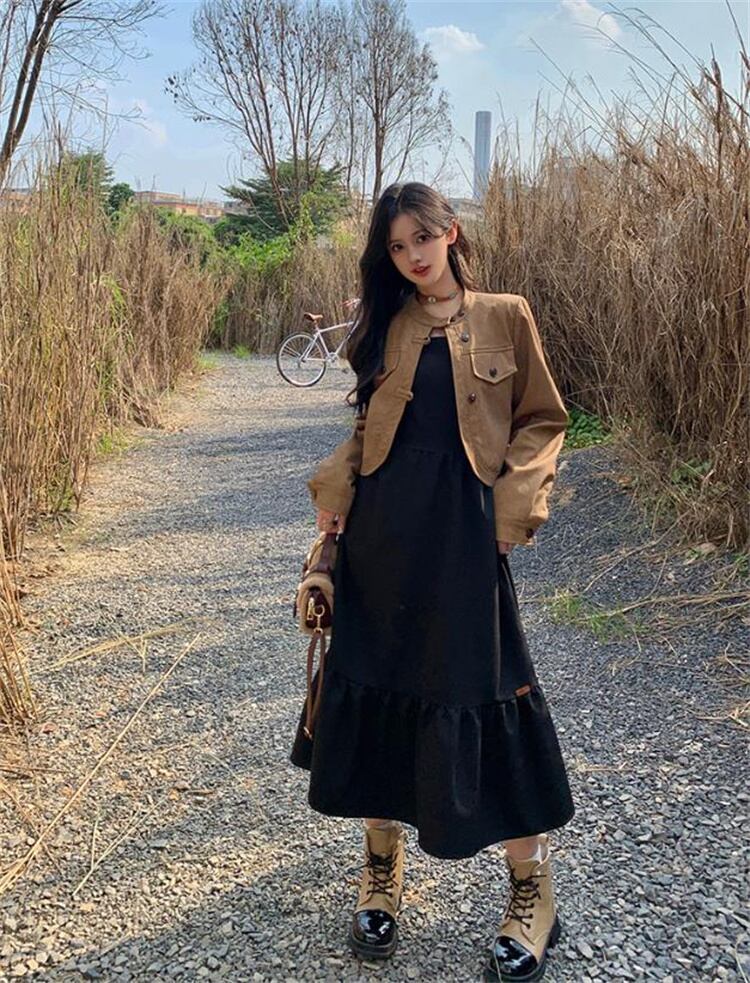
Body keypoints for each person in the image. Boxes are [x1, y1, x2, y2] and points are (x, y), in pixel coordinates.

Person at [290, 181, 575, 982]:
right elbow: (365, 426)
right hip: (381, 537)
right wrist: (334, 499)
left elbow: (544, 419)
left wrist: (513, 511)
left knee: (486, 690)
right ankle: (381, 870)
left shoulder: (507, 314)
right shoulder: (387, 324)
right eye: (397, 246)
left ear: (451, 231)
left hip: (464, 537)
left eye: (422, 236)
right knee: (380, 688)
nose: (413, 255)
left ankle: (532, 889)